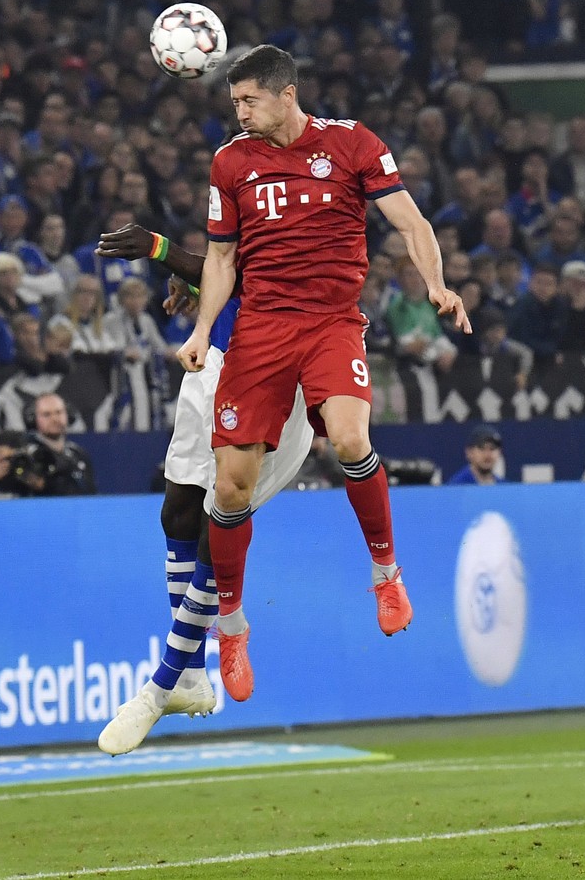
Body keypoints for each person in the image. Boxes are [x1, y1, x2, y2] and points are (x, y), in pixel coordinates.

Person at [176, 46, 468, 706]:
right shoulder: (231, 162)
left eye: (249, 101)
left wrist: (437, 284)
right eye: (234, 103)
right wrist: (200, 332)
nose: (240, 112)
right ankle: (232, 626)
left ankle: (386, 572)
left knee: (348, 439)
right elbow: (222, 259)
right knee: (230, 487)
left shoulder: (352, 144)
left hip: (332, 322)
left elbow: (409, 220)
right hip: (260, 333)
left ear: (286, 94)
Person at [92, 224, 313, 755]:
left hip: (276, 384)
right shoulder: (245, 184)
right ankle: (191, 677)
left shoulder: (311, 232)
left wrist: (160, 250)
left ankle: (161, 685)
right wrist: (198, 291)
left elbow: (245, 276)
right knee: (178, 514)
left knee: (220, 526)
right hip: (215, 363)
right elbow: (225, 266)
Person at [21, 392, 97, 496]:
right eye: (46, 414)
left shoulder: (78, 454)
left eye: (59, 412)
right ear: (33, 419)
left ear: (69, 415)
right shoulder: (27, 455)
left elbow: (91, 493)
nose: (55, 419)